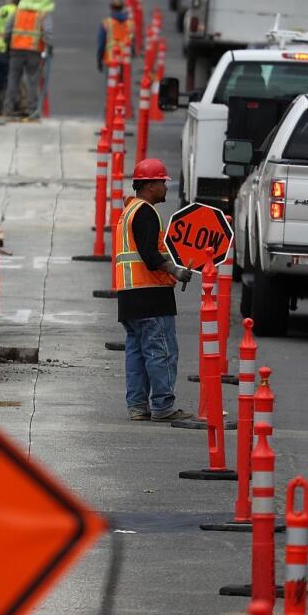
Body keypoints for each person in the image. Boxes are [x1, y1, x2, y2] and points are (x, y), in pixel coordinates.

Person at [115, 159, 194, 422]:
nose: (165, 187)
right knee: (161, 351)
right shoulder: (146, 212)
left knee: (137, 354)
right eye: (162, 182)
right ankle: (163, 406)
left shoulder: (128, 211)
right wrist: (175, 270)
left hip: (129, 296)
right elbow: (150, 255)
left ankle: (138, 406)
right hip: (151, 295)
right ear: (149, 185)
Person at [3, 0, 53, 119]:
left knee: (13, 80)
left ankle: (8, 109)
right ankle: (32, 111)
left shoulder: (18, 12)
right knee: (32, 81)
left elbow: (7, 31)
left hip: (16, 51)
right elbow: (47, 33)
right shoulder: (42, 14)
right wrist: (49, 47)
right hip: (34, 51)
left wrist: (8, 44)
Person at [0, 0, 24, 116]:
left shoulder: (2, 9)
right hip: (6, 49)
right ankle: (5, 109)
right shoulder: (16, 12)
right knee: (7, 80)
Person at [97, 0, 133, 72]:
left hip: (111, 60)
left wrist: (99, 60)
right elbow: (133, 41)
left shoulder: (106, 23)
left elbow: (101, 45)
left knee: (112, 82)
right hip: (125, 59)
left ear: (111, 7)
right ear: (122, 7)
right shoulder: (130, 23)